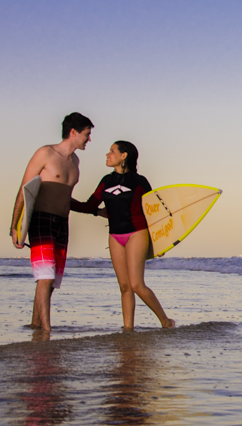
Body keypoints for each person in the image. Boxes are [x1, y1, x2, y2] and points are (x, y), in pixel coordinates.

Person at [72, 140, 175, 330]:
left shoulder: (139, 181)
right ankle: (128, 329)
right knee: (124, 286)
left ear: (124, 155)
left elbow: (154, 212)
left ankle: (166, 321)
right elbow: (89, 205)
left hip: (137, 233)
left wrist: (159, 242)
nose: (107, 154)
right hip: (115, 236)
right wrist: (65, 200)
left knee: (136, 284)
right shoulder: (106, 181)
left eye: (112, 151)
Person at [11, 112, 94, 332]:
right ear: (73, 132)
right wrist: (15, 226)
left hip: (62, 222)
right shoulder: (45, 153)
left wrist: (95, 211)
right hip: (41, 220)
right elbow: (24, 189)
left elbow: (66, 199)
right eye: (87, 134)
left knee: (51, 281)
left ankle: (36, 325)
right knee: (45, 276)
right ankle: (48, 331)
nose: (89, 139)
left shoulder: (75, 161)